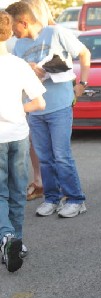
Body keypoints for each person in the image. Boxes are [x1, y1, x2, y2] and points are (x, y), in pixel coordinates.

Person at [6, 1, 90, 218]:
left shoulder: (55, 33)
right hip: (35, 110)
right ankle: (51, 198)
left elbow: (84, 53)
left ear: (23, 22)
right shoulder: (18, 46)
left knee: (62, 155)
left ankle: (75, 199)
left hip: (59, 105)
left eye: (13, 25)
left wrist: (83, 84)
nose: (11, 31)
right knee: (44, 157)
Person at [0, 10, 46, 272]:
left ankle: (6, 237)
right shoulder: (18, 65)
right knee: (17, 191)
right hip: (18, 135)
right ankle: (16, 239)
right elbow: (40, 102)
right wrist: (18, 110)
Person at [22, 0, 55, 202]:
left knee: (55, 146)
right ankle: (39, 180)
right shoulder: (20, 37)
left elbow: (68, 62)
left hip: (53, 96)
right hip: (29, 95)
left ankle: (55, 185)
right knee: (34, 142)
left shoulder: (53, 33)